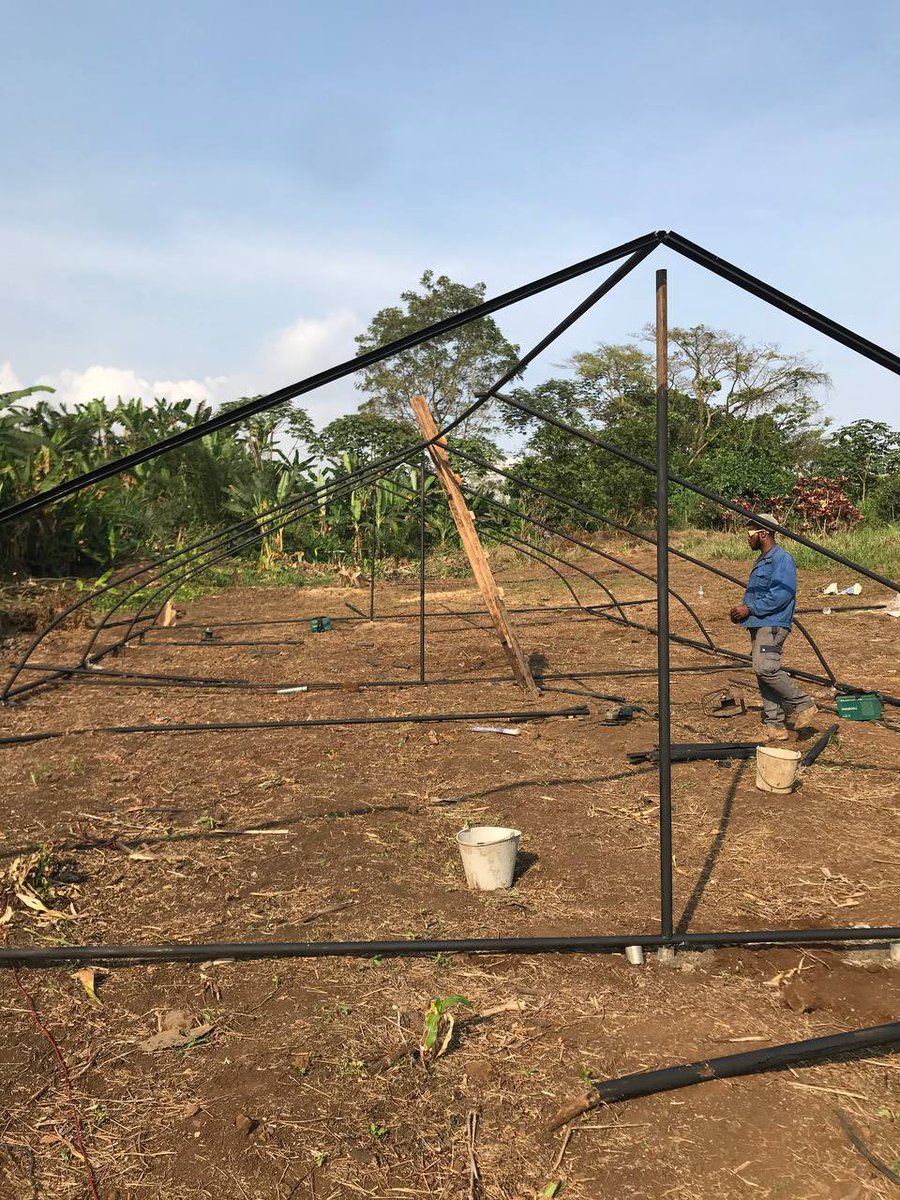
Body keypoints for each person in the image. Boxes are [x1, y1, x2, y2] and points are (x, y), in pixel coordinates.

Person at [729, 514, 818, 742]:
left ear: (763, 533)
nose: (747, 539)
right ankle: (775, 725)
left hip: (773, 623)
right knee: (762, 673)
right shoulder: (762, 560)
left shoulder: (782, 559)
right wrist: (743, 612)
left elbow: (781, 595)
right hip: (759, 622)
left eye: (750, 534)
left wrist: (750, 608)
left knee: (766, 668)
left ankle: (802, 703)